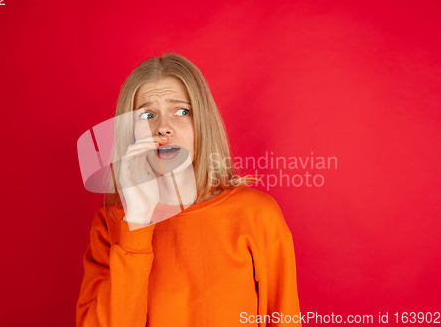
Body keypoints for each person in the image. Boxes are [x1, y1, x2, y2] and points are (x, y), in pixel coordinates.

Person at [76, 53, 301, 326]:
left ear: (202, 123)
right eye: (148, 115)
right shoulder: (110, 225)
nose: (163, 128)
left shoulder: (256, 214)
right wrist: (137, 221)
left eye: (182, 111)